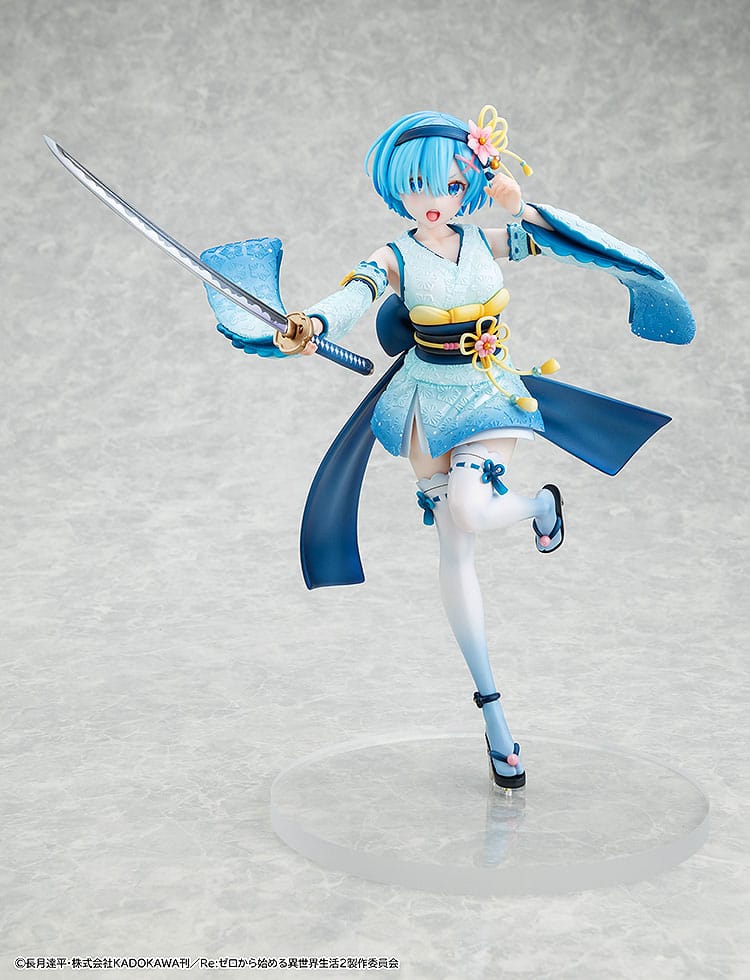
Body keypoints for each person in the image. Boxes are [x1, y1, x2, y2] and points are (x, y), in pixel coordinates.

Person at [204, 105, 695, 790]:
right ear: (396, 187)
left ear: (470, 185)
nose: (433, 201)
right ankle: (494, 714)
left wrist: (520, 207)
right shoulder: (395, 257)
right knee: (455, 549)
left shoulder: (486, 242)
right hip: (423, 404)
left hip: (489, 393)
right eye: (417, 186)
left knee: (468, 508)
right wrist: (311, 323)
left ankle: (539, 506)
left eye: (450, 186)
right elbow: (353, 297)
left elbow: (553, 242)